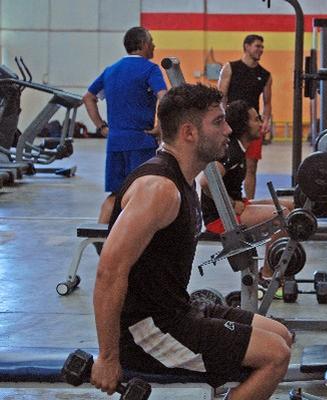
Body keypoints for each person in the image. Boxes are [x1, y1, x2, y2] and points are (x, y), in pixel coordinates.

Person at [90, 84, 293, 400]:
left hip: (177, 310)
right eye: (218, 122)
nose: (228, 129)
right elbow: (109, 272)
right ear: (188, 132)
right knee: (275, 354)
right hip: (147, 330)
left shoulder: (185, 181)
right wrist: (107, 357)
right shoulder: (158, 189)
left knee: (280, 334)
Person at [198, 100, 294, 287]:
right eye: (256, 119)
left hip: (235, 207)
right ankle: (266, 276)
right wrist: (231, 206)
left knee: (291, 207)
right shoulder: (232, 151)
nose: (261, 123)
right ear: (243, 124)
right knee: (281, 215)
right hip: (220, 219)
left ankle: (276, 268)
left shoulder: (239, 148)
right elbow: (205, 181)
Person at [82, 26, 167, 226]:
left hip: (115, 142)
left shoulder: (110, 71)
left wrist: (101, 127)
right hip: (141, 142)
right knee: (142, 194)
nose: (154, 45)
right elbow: (164, 96)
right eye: (152, 41)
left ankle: (99, 241)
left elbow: (88, 97)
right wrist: (159, 126)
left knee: (115, 195)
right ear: (144, 44)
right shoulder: (150, 69)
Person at [217, 34, 272, 200]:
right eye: (257, 46)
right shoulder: (230, 68)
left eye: (262, 47)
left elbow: (267, 103)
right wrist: (220, 121)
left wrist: (266, 121)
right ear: (247, 47)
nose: (261, 50)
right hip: (232, 124)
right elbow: (221, 97)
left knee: (251, 166)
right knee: (227, 162)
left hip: (252, 126)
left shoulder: (265, 75)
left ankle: (249, 202)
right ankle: (226, 201)